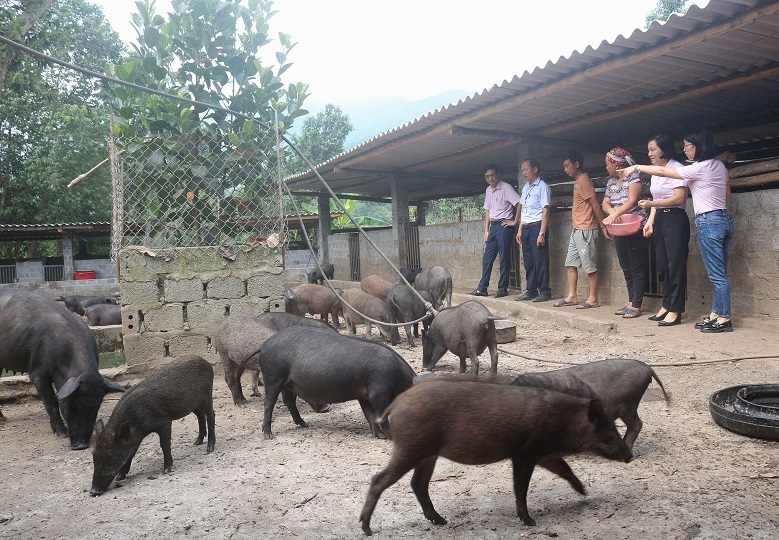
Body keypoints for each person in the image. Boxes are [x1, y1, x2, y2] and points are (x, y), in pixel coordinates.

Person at [623, 128, 734, 332]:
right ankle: (715, 315)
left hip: (708, 220)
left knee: (716, 274)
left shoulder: (700, 167)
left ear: (698, 146)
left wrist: (637, 167)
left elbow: (666, 172)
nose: (684, 150)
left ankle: (724, 318)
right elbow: (726, 195)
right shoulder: (719, 165)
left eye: (687, 146)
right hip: (722, 218)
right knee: (718, 272)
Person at [634, 134, 689, 327]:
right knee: (663, 266)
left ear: (664, 150)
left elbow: (678, 199)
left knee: (675, 264)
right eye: (649, 150)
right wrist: (650, 221)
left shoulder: (678, 169)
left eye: (652, 149)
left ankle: (676, 309)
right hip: (661, 219)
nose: (649, 153)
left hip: (675, 218)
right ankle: (666, 304)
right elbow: (656, 201)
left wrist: (651, 203)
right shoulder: (656, 172)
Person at [554, 149, 610, 309]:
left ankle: (593, 299)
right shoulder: (578, 181)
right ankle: (572, 296)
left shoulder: (584, 180)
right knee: (570, 264)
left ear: (576, 164)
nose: (565, 169)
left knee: (589, 266)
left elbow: (595, 205)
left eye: (567, 165)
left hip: (586, 229)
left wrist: (602, 225)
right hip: (576, 230)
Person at [601, 148, 649, 319]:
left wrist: (615, 214)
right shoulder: (611, 182)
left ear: (617, 164)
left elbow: (632, 201)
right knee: (626, 266)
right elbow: (604, 203)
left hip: (635, 227)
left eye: (608, 164)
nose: (606, 167)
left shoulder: (634, 178)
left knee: (636, 267)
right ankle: (630, 302)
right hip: (620, 230)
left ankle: (636, 305)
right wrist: (612, 210)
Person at [470, 164, 521, 298]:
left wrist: (514, 221)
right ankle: (482, 288)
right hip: (493, 226)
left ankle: (502, 288)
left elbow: (519, 202)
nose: (490, 178)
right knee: (487, 258)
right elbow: (487, 211)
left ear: (498, 174)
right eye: (487, 176)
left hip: (504, 226)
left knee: (504, 257)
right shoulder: (488, 190)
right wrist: (486, 231)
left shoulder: (506, 187)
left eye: (492, 175)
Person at [514, 158, 552, 302]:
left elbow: (546, 211)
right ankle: (531, 290)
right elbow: (523, 209)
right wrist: (519, 230)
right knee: (529, 261)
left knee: (540, 260)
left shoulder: (542, 187)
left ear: (535, 169)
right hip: (526, 228)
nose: (524, 173)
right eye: (522, 170)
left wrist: (542, 233)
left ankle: (544, 291)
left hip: (537, 227)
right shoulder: (526, 188)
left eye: (526, 169)